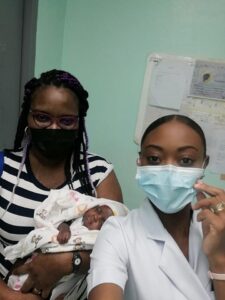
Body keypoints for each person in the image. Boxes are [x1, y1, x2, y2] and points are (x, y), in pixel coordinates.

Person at [0, 69, 123, 300]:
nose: (54, 128)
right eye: (42, 117)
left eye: (66, 121)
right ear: (27, 117)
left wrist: (66, 262)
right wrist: (12, 297)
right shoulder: (3, 167)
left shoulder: (98, 173)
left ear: (79, 124)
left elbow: (117, 249)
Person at [87, 114, 225, 300]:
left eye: (185, 160)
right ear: (140, 161)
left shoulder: (218, 229)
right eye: (154, 158)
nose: (168, 170)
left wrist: (219, 260)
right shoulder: (118, 233)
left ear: (203, 164)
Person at [4, 189, 128, 299]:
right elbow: (57, 222)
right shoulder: (75, 220)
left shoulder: (93, 238)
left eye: (102, 221)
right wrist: (64, 229)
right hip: (35, 259)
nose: (96, 217)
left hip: (62, 281)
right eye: (98, 210)